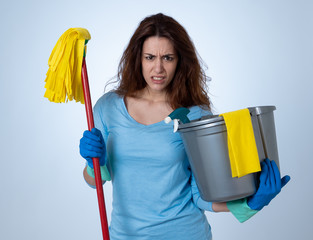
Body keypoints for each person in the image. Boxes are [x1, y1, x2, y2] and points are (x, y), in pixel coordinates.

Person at [79, 13, 290, 240]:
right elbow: (96, 182)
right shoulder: (107, 108)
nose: (158, 68)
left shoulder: (195, 115)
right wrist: (95, 165)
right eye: (150, 57)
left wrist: (250, 204)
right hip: (125, 235)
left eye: (168, 58)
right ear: (137, 59)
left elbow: (201, 195)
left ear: (180, 60)